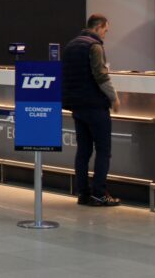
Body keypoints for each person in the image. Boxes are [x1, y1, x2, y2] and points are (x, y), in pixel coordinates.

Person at [62, 14, 120, 207]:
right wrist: (114, 98)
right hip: (95, 106)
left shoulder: (71, 46)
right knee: (103, 151)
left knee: (83, 151)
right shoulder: (94, 46)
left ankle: (83, 194)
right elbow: (101, 76)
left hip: (77, 107)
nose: (105, 34)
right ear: (98, 27)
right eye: (105, 30)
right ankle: (99, 194)